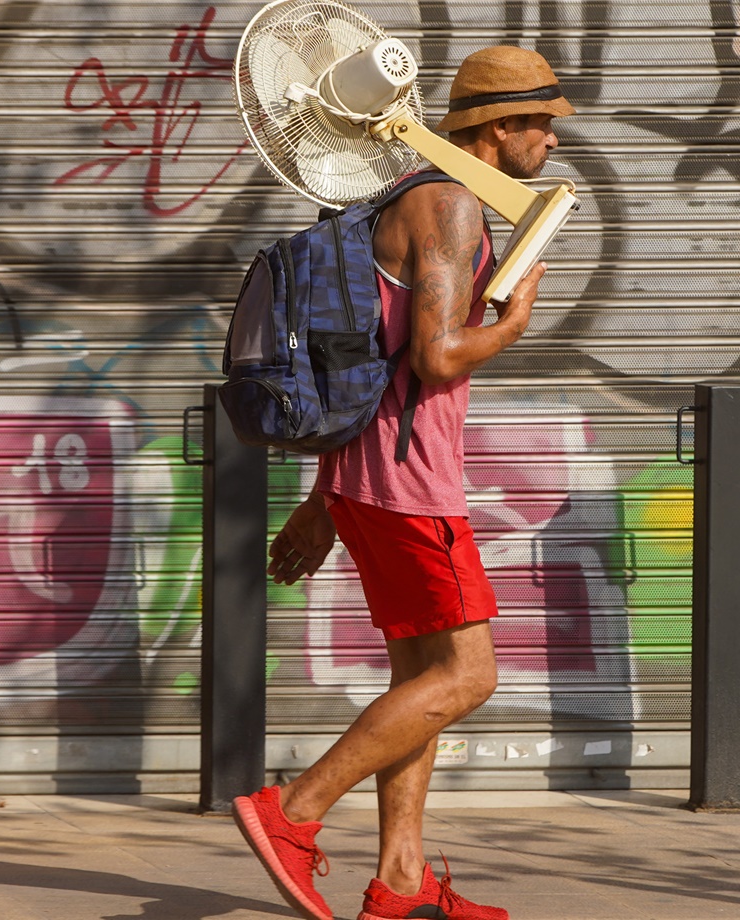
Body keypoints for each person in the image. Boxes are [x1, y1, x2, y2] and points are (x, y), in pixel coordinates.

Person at [232, 45, 575, 920]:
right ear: (500, 128)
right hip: (412, 484)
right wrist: (515, 323)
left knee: (416, 683)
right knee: (466, 677)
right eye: (542, 124)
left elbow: (374, 359)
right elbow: (434, 356)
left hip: (368, 478)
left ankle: (402, 884)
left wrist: (322, 502)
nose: (551, 142)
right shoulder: (452, 205)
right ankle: (293, 813)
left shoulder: (413, 193)